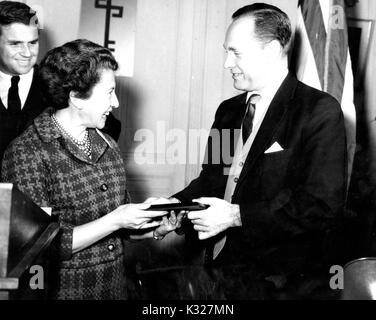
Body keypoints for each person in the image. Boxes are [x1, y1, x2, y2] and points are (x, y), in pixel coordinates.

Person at [171, 3, 348, 299]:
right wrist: (172, 207)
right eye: (226, 51)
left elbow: (321, 206)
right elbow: (212, 180)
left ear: (272, 50)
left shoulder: (319, 110)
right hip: (216, 274)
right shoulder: (228, 111)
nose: (227, 63)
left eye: (236, 52)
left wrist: (237, 216)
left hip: (278, 283)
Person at [1, 39, 180, 300]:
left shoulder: (107, 143)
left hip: (114, 289)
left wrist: (153, 225)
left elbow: (119, 227)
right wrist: (117, 218)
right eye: (109, 92)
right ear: (76, 98)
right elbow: (38, 247)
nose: (116, 103)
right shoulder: (27, 153)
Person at [0, 1, 44, 166]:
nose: (27, 53)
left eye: (33, 43)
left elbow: (109, 129)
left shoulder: (60, 83)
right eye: (15, 43)